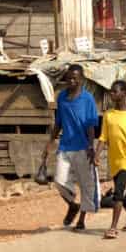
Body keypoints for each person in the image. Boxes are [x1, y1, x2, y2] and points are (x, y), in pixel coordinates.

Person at [41, 63, 100, 231]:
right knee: (59, 181)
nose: (71, 81)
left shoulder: (87, 99)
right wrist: (50, 141)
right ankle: (73, 205)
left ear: (81, 80)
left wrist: (91, 145)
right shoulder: (61, 97)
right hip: (65, 146)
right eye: (69, 78)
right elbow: (58, 122)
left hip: (83, 147)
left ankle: (82, 219)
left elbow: (91, 125)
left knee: (85, 185)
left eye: (75, 78)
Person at [98, 79, 126, 240]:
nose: (112, 94)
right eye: (111, 91)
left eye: (115, 91)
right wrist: (96, 156)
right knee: (123, 195)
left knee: (118, 194)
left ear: (124, 93)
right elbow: (103, 138)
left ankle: (113, 228)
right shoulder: (108, 115)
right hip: (114, 161)